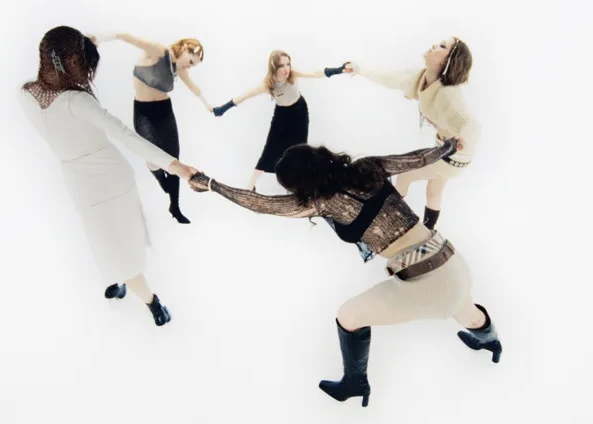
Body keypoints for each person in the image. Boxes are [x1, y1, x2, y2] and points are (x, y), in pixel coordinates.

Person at [187, 138, 502, 406]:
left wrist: (211, 184)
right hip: (452, 261)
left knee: (348, 317)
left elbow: (260, 203)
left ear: (300, 186)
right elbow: (415, 159)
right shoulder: (367, 167)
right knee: (465, 308)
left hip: (427, 284)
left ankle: (355, 384)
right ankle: (490, 340)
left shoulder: (321, 203)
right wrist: (448, 147)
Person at [18, 26, 198, 326]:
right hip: (80, 181)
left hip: (110, 180)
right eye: (81, 63)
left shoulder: (29, 93)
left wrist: (173, 165)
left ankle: (152, 301)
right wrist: (175, 165)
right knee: (103, 240)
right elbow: (121, 134)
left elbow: (125, 135)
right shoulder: (68, 99)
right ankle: (123, 278)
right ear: (67, 61)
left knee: (120, 242)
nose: (85, 72)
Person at [347, 36, 480, 230]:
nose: (434, 44)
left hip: (454, 155)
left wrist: (463, 139)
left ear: (447, 60)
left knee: (405, 175)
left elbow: (471, 124)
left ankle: (388, 221)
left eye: (442, 46)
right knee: (433, 193)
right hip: (443, 147)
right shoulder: (422, 78)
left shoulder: (448, 94)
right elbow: (392, 77)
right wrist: (360, 70)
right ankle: (427, 233)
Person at [91, 33, 212, 224]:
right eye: (190, 61)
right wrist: (98, 39)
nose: (189, 67)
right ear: (184, 49)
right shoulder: (159, 51)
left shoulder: (179, 68)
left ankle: (175, 207)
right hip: (144, 113)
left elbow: (193, 87)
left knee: (173, 157)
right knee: (153, 157)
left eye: (193, 65)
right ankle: (156, 173)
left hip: (165, 111)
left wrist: (209, 105)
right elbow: (126, 37)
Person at [211, 49, 351, 190]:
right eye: (281, 66)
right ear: (274, 68)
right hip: (282, 114)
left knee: (299, 149)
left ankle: (300, 185)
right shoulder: (268, 85)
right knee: (270, 148)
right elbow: (245, 95)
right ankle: (250, 186)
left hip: (299, 112)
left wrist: (340, 69)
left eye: (288, 64)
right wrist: (222, 109)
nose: (286, 69)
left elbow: (315, 73)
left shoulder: (293, 75)